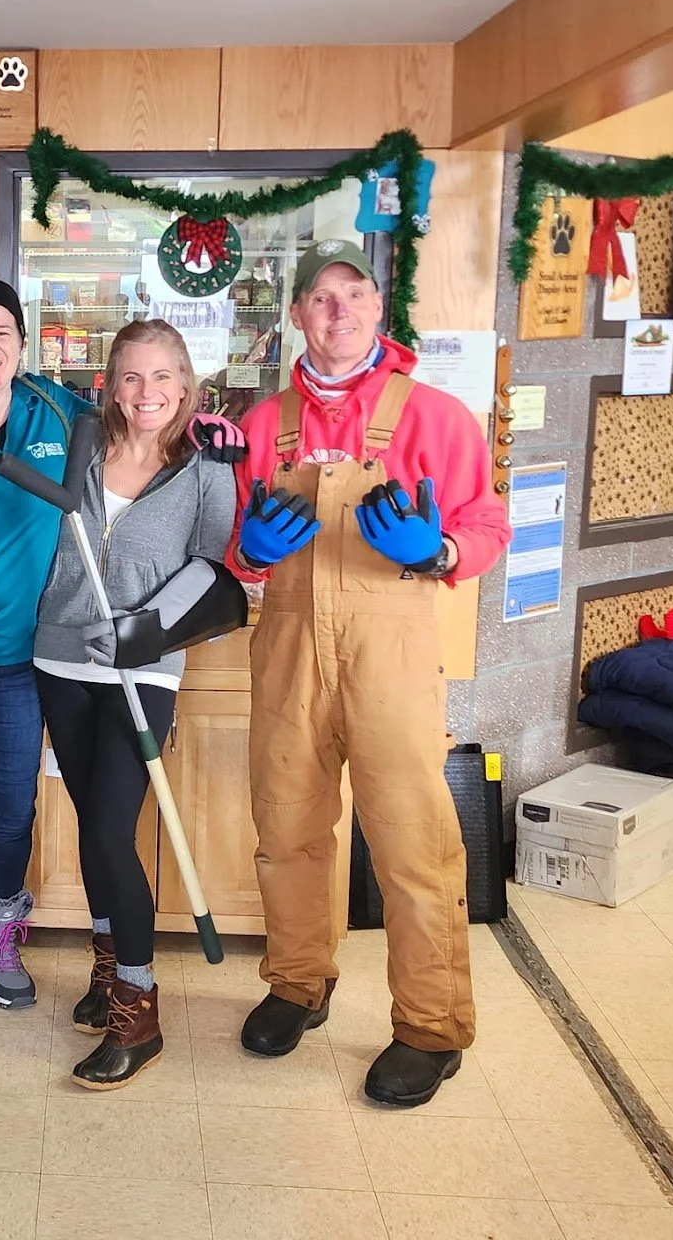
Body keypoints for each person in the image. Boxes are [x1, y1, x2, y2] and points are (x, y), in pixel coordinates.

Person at [0, 278, 246, 1036]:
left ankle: (32, 952)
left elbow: (211, 560)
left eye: (4, 331)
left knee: (25, 811)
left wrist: (216, 432)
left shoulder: (69, 417)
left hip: (40, 660)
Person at [228, 239, 512, 1108]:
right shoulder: (262, 426)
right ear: (296, 314)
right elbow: (234, 547)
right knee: (287, 828)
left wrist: (441, 550)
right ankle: (297, 982)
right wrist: (249, 553)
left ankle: (431, 1026)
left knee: (412, 841)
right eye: (321, 297)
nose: (339, 311)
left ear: (379, 309)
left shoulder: (437, 417)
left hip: (391, 656)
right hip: (287, 652)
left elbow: (488, 524)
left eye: (355, 294)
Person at [31, 321, 240, 1089]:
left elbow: (211, 569)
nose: (145, 392)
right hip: (60, 658)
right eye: (130, 376)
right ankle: (108, 961)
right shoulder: (79, 446)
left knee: (113, 828)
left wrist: (143, 631)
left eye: (161, 377)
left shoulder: (206, 465)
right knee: (90, 819)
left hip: (143, 668)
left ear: (185, 385)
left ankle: (139, 1005)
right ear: (110, 384)